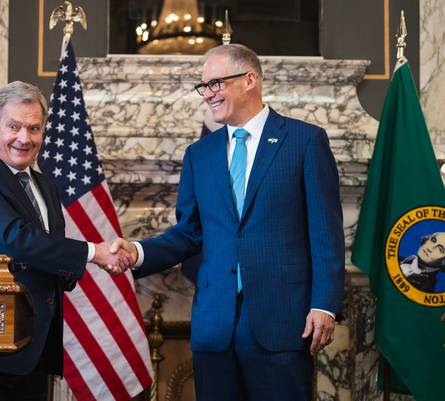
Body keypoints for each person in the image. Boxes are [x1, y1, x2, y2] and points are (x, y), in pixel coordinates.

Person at [110, 44, 345, 400]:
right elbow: (189, 234)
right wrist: (138, 252)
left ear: (250, 79)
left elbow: (326, 232)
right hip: (214, 325)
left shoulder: (305, 141)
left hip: (282, 322)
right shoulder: (198, 155)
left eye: (216, 83)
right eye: (203, 86)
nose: (208, 94)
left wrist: (324, 304)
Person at [0, 81, 131, 401]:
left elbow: (48, 253)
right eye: (13, 126)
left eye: (34, 128)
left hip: (35, 352)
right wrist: (94, 253)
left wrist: (90, 263)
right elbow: (16, 240)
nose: (24, 138)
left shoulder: (45, 185)